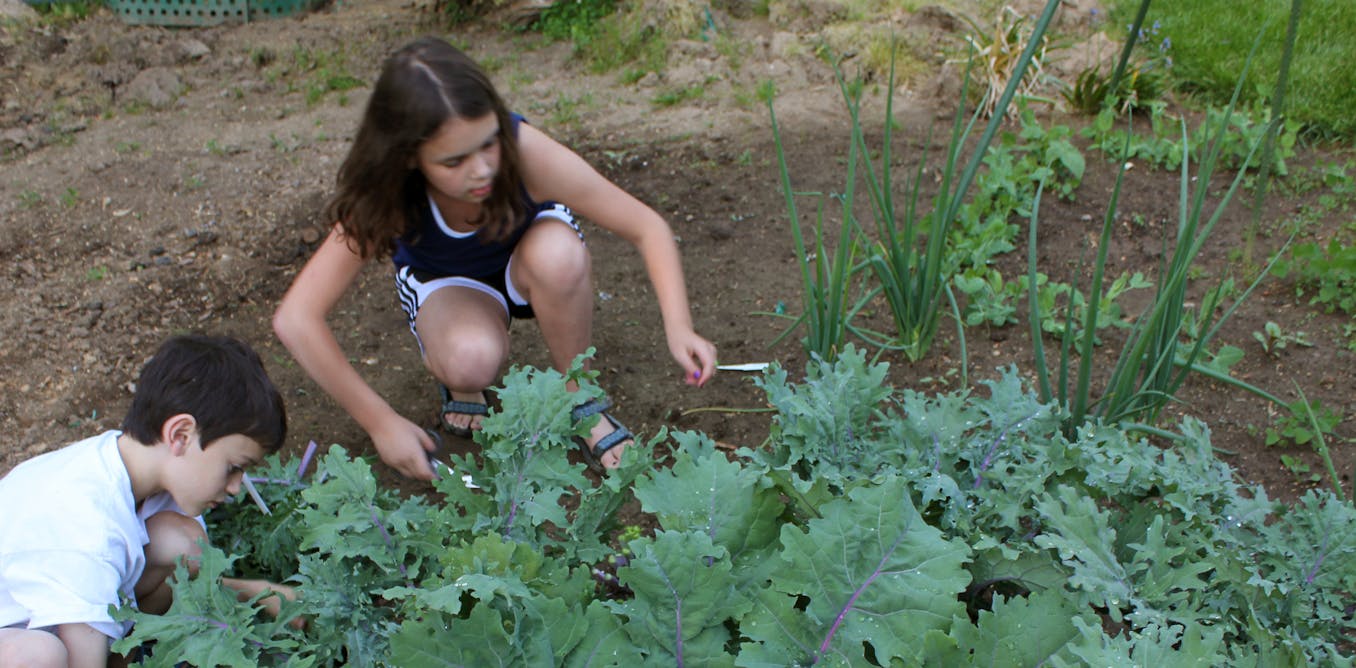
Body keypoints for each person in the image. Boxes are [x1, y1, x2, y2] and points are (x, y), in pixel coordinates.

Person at [272, 36, 717, 480]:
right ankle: (459, 378)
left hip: (533, 259)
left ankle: (578, 398)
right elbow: (296, 318)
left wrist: (678, 327)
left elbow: (646, 226)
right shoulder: (384, 197)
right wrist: (380, 421)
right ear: (408, 158)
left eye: (488, 143)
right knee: (470, 360)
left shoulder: (525, 153)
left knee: (559, 256)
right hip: (452, 282)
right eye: (454, 161)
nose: (482, 169)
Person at [0, 335, 297, 668]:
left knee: (183, 545)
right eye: (233, 468)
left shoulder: (146, 475)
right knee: (39, 656)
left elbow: (188, 570)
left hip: (55, 620)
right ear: (180, 435)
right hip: (18, 637)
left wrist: (255, 591)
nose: (235, 487)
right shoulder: (86, 520)